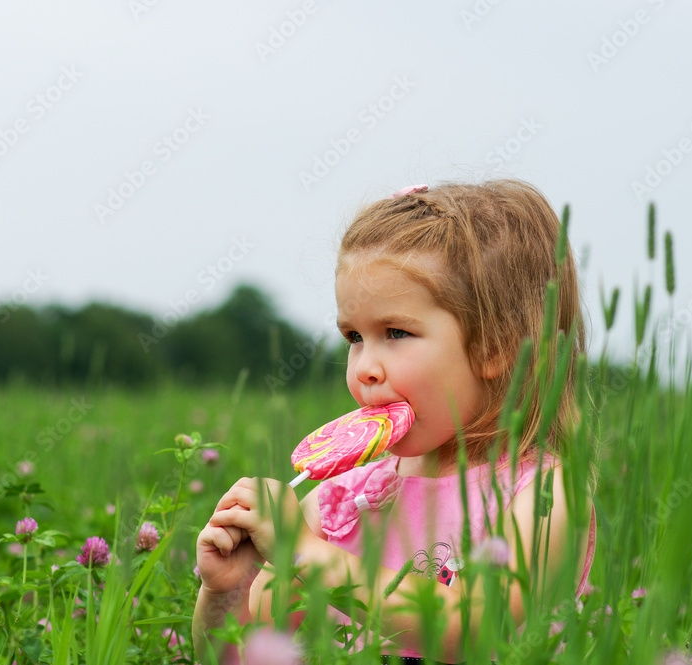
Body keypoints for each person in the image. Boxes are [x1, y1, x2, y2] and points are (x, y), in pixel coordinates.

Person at [193, 180, 596, 664]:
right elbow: (237, 656)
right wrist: (226, 592)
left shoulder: (544, 495)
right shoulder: (341, 499)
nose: (365, 365)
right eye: (354, 336)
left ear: (496, 347)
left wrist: (305, 555)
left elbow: (471, 628)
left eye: (395, 332)